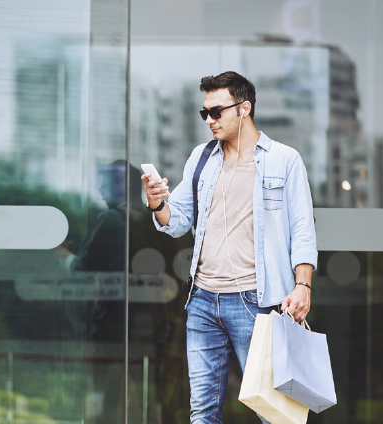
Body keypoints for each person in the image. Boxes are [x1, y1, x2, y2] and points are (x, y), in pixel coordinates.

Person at [140, 71, 317, 423]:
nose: (209, 120)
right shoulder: (202, 159)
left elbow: (302, 230)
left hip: (256, 303)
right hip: (203, 301)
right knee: (202, 413)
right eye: (204, 113)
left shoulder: (284, 160)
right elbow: (176, 223)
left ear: (244, 108)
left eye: (217, 111)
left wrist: (303, 285)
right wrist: (157, 203)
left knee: (275, 413)